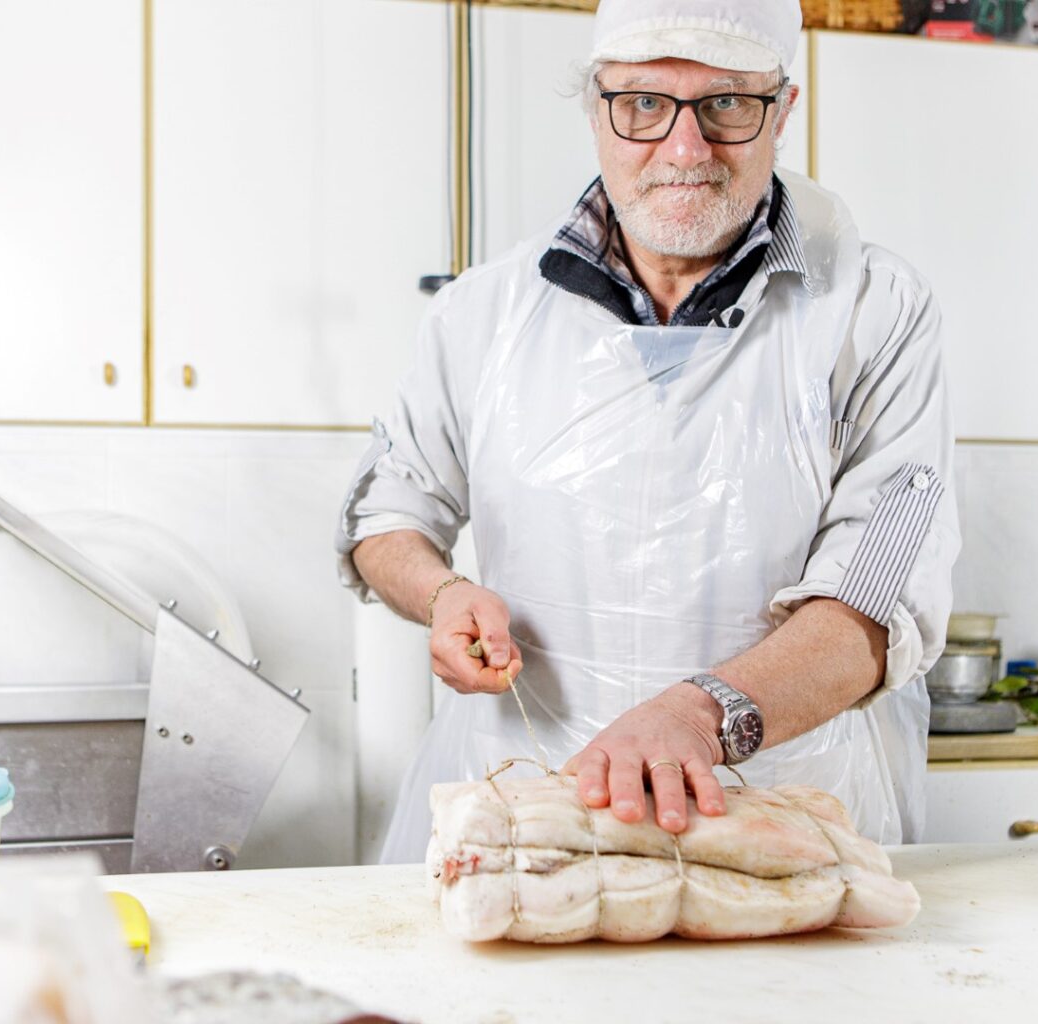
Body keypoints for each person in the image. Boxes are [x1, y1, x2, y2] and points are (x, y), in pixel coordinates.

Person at [335, 0, 959, 864]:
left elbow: (875, 601)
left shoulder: (874, 310)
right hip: (526, 821)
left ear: (784, 110)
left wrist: (698, 715)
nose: (684, 149)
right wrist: (441, 596)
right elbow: (385, 514)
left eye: (728, 104)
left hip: (774, 826)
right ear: (598, 109)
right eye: (643, 104)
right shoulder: (482, 312)